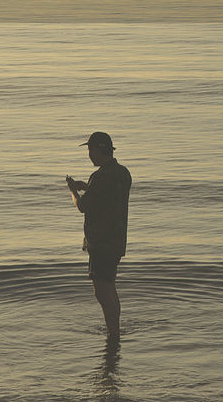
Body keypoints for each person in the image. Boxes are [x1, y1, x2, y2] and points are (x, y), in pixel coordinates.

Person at [66, 131, 132, 336]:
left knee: (101, 291)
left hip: (101, 242)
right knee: (110, 287)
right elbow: (108, 197)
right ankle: (115, 329)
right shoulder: (123, 173)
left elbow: (83, 206)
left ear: (99, 150)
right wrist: (88, 187)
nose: (89, 155)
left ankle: (113, 333)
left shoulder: (100, 176)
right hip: (117, 239)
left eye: (90, 150)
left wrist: (72, 191)